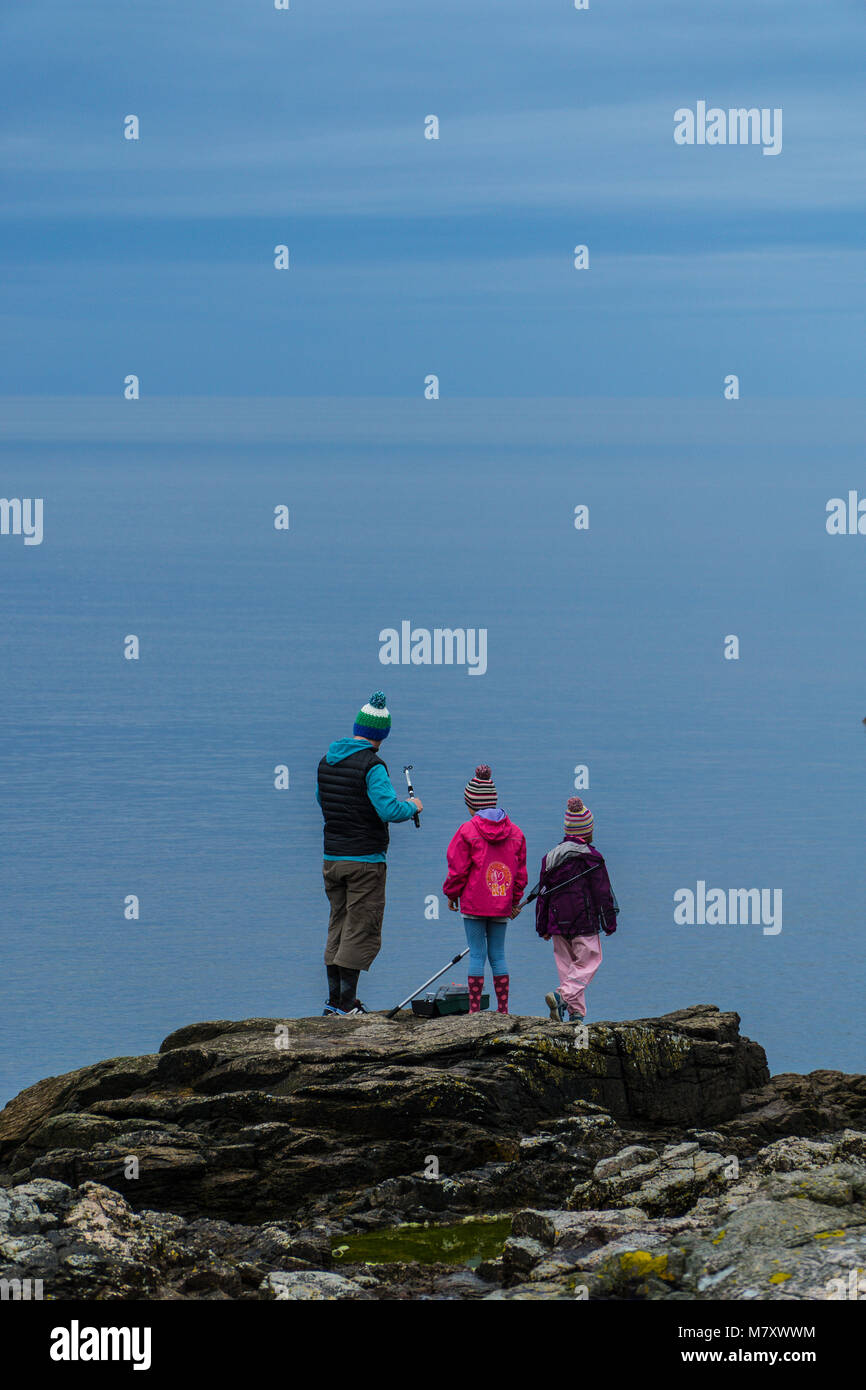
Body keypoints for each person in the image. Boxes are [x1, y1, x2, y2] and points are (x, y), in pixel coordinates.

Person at [316, 691, 421, 1015]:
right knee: (360, 930)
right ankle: (348, 1005)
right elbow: (389, 809)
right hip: (365, 862)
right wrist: (412, 806)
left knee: (338, 925)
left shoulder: (327, 760)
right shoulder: (372, 765)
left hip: (332, 859)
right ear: (382, 735)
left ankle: (334, 1002)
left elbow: (324, 802)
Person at [442, 765, 527, 1015]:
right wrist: (515, 901)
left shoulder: (467, 830)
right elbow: (520, 873)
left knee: (477, 955)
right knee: (498, 955)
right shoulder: (516, 833)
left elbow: (457, 869)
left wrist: (451, 894)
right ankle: (503, 1010)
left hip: (474, 903)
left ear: (471, 804)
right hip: (501, 903)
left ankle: (474, 1010)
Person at [532, 797, 619, 1024]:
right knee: (589, 961)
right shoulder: (592, 858)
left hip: (557, 921)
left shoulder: (550, 857)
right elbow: (602, 893)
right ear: (588, 830)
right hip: (584, 921)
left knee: (567, 966)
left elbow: (543, 893)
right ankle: (562, 996)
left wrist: (542, 925)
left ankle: (576, 1014)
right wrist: (609, 922)